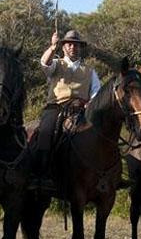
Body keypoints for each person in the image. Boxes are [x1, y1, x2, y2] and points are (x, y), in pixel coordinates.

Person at [34, 29, 101, 193]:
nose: (73, 47)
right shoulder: (57, 64)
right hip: (56, 107)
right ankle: (42, 175)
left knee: (100, 133)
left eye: (76, 45)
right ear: (64, 47)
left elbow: (96, 93)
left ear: (80, 48)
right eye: (69, 44)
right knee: (45, 131)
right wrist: (52, 47)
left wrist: (89, 104)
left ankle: (105, 174)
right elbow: (44, 63)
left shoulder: (90, 71)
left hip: (80, 109)